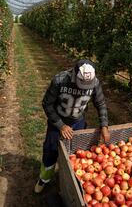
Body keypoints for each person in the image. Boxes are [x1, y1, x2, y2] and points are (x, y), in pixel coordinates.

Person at [34, 59, 110, 193]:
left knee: (76, 153)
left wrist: (104, 125)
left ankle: (72, 181)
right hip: (58, 121)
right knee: (51, 150)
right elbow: (47, 104)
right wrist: (61, 125)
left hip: (78, 122)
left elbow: (100, 103)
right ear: (74, 74)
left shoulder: (94, 82)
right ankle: (44, 179)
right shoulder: (60, 80)